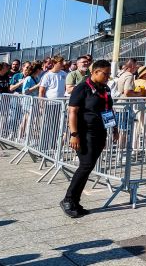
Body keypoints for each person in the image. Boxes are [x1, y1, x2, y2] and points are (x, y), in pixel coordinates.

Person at [61, 59, 118, 218]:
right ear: (95, 72)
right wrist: (74, 134)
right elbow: (72, 112)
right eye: (105, 74)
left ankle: (75, 202)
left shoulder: (104, 89)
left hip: (100, 132)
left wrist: (114, 128)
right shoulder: (82, 88)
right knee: (85, 165)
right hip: (84, 133)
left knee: (89, 166)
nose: (107, 77)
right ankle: (68, 199)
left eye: (108, 74)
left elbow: (108, 109)